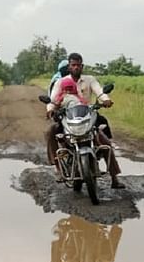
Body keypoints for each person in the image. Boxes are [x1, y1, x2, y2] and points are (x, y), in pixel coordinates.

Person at [45, 52, 125, 189]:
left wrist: (105, 100)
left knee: (105, 143)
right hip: (68, 116)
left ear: (82, 66)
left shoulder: (90, 79)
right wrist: (50, 108)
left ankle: (114, 178)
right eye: (73, 65)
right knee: (51, 131)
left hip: (88, 115)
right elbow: (53, 99)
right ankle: (58, 169)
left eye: (78, 65)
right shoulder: (61, 82)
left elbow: (99, 92)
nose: (76, 67)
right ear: (69, 67)